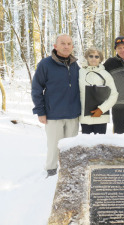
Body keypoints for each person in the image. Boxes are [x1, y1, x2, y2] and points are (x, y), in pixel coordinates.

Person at [31, 34, 81, 177]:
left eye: (69, 43)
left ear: (72, 47)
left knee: (71, 147)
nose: (66, 46)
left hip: (73, 114)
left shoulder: (75, 65)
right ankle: (51, 171)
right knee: (54, 146)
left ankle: (69, 172)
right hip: (54, 115)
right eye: (63, 43)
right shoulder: (45, 64)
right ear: (55, 46)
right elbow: (36, 89)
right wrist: (40, 111)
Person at [79, 47, 118, 134]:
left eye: (97, 57)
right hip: (85, 117)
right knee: (86, 145)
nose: (94, 59)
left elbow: (114, 94)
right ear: (86, 57)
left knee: (99, 145)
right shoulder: (80, 73)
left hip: (101, 117)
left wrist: (101, 109)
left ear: (100, 59)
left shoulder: (105, 74)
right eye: (91, 56)